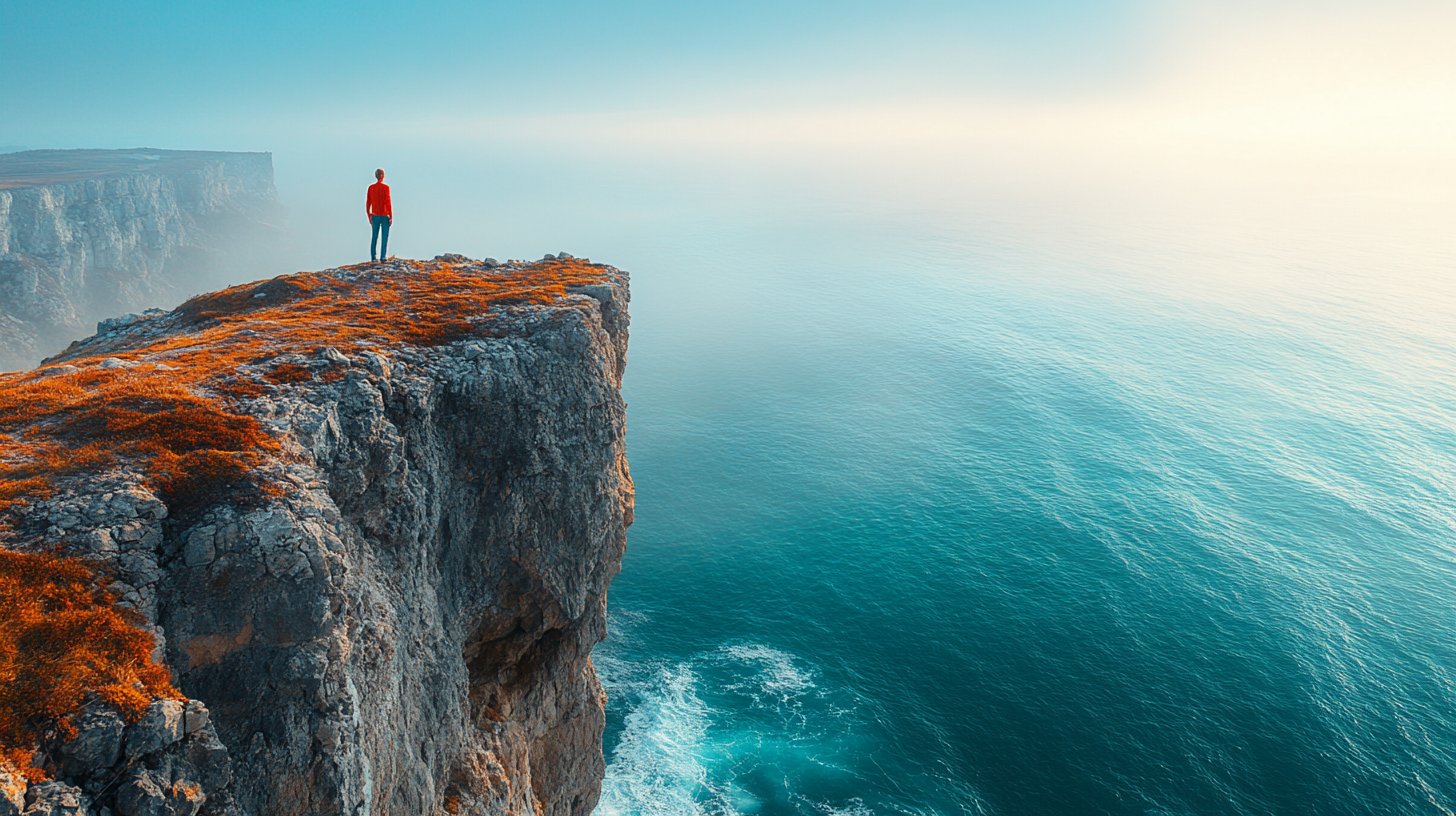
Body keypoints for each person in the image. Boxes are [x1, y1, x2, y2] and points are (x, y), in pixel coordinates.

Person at [366, 168, 392, 261]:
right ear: (383, 176)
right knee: (384, 237)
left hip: (375, 215)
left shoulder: (371, 188)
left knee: (374, 236)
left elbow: (368, 203)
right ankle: (383, 256)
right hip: (384, 215)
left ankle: (373, 257)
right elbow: (388, 202)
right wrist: (391, 216)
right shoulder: (386, 188)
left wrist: (369, 215)